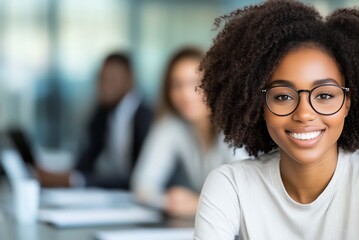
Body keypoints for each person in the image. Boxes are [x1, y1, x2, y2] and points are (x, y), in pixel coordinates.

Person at [194, 0, 359, 239]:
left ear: (348, 103)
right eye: (283, 96)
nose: (304, 114)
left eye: (325, 95)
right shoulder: (231, 186)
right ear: (261, 107)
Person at [131, 47, 247, 218]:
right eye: (177, 85)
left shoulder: (233, 127)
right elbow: (142, 184)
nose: (185, 94)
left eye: (196, 83)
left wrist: (198, 203)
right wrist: (168, 201)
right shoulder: (172, 125)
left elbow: (246, 195)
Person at [39, 52, 153, 189]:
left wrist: (76, 181)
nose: (104, 86)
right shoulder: (103, 113)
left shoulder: (147, 118)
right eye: (101, 78)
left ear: (129, 80)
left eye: (113, 79)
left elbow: (139, 178)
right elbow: (86, 161)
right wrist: (63, 176)